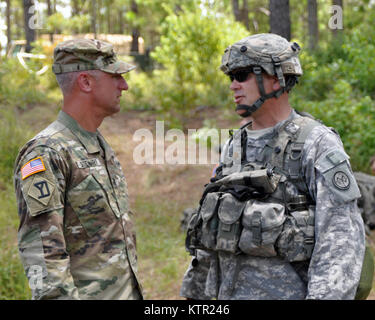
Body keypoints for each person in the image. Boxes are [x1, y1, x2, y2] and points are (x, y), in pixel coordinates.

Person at [182, 33, 366, 300]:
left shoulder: (316, 144)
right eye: (231, 77)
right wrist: (194, 293)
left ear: (276, 77)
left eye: (242, 74)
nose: (234, 85)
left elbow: (340, 244)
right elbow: (215, 228)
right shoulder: (235, 145)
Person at [14, 39, 142, 300]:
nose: (124, 85)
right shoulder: (47, 152)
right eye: (115, 76)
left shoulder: (97, 143)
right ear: (85, 82)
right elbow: (43, 254)